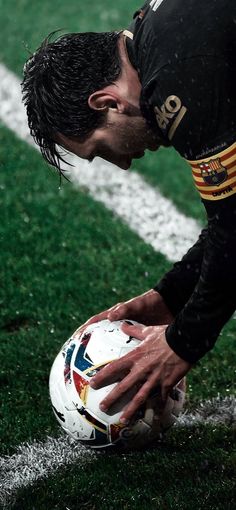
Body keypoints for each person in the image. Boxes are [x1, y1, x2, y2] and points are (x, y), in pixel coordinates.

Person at [22, 0, 236, 425]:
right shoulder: (162, 38)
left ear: (108, 102)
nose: (121, 164)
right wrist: (171, 296)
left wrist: (182, 343)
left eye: (100, 149)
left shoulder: (176, 81)